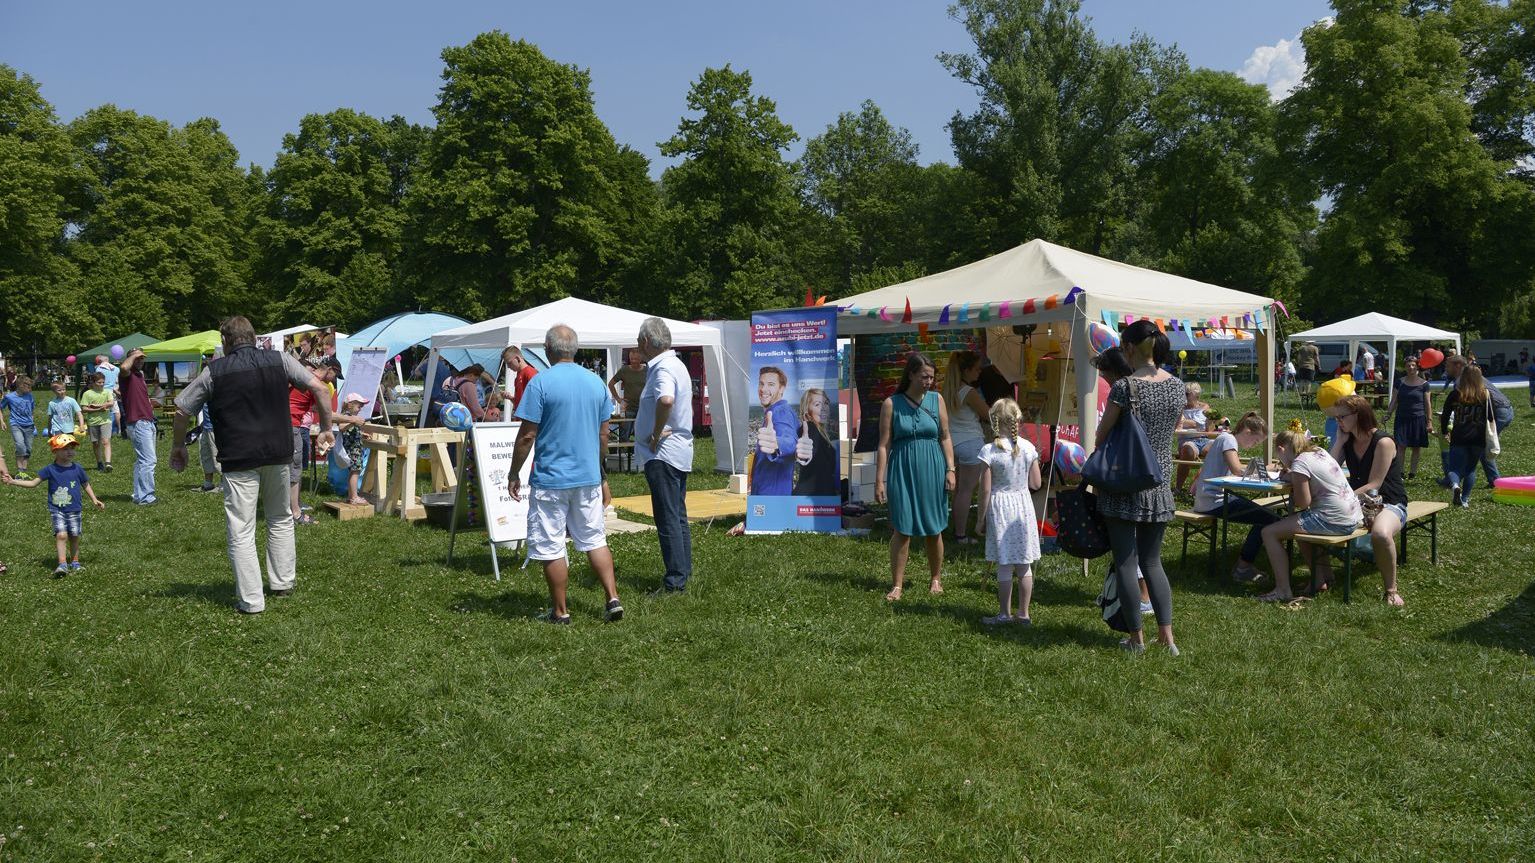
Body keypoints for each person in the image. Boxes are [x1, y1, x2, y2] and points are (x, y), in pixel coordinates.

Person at [170, 316, 333, 614]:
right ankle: (283, 583)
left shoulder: (214, 371)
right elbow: (321, 389)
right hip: (278, 452)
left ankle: (251, 601)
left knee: (242, 529)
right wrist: (325, 427)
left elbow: (181, 411)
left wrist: (178, 446)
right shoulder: (280, 360)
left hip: (239, 457)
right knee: (281, 518)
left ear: (225, 341)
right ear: (254, 337)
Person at [507, 324, 623, 624]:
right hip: (587, 477)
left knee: (550, 544)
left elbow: (527, 436)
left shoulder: (541, 383)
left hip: (551, 478)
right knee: (595, 538)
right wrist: (599, 470)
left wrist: (513, 472)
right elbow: (604, 434)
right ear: (576, 349)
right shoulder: (596, 382)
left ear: (548, 349)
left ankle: (560, 612)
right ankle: (612, 598)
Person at [1093, 320, 1181, 654]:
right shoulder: (1176, 386)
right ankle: (1168, 638)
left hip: (1124, 481)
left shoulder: (1124, 387)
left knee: (1127, 562)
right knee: (1153, 562)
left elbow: (1102, 436)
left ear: (1129, 348)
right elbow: (1169, 430)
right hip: (1159, 482)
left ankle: (1136, 639)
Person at [875, 352, 955, 601]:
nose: (928, 381)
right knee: (903, 527)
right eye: (924, 376)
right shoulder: (891, 403)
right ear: (910, 374)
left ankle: (936, 578)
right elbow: (883, 445)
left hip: (933, 466)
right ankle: (897, 584)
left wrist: (951, 469)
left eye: (931, 377)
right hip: (902, 469)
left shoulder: (937, 400)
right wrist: (879, 479)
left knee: (934, 528)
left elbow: (945, 436)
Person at [1257, 430, 1363, 602]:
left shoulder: (1299, 463)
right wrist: (1293, 477)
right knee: (1300, 531)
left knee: (1269, 532)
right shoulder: (1319, 451)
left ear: (1281, 449)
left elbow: (1303, 503)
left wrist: (1293, 479)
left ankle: (1282, 589)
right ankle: (1321, 579)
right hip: (1352, 517)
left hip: (1333, 520)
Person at [634, 318, 694, 594]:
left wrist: (656, 433)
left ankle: (675, 582)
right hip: (678, 450)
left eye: (638, 342)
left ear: (646, 343)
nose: (636, 347)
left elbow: (666, 400)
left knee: (668, 516)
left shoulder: (663, 368)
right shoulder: (674, 364)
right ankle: (683, 573)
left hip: (663, 454)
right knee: (677, 514)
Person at [1330, 395, 1408, 606]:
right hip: (1358, 503)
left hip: (1389, 503)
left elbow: (1375, 484)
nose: (1338, 422)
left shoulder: (1383, 442)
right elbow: (1329, 470)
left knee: (1381, 534)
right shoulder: (1347, 441)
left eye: (1342, 417)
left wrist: (1340, 498)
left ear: (1358, 415)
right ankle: (1323, 577)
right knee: (1309, 522)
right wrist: (1338, 442)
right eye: (1336, 418)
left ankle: (1391, 591)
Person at [1189, 412, 1277, 582]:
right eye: (1255, 441)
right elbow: (1237, 469)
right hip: (1213, 501)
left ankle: (1246, 564)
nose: (1253, 445)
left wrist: (1265, 469)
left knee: (1267, 515)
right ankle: (1243, 568)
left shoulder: (1227, 439)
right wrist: (1266, 470)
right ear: (1247, 432)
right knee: (1268, 518)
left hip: (1212, 499)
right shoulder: (1228, 440)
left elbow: (1237, 469)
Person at [978, 398, 1042, 625]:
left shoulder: (990, 450)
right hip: (1023, 506)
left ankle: (1004, 613)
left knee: (1004, 564)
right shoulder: (1028, 448)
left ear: (994, 422)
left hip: (1000, 506)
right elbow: (1036, 483)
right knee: (1024, 564)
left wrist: (980, 519)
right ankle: (1023, 614)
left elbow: (985, 489)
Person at [5, 434, 104, 575]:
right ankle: (62, 564)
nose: (70, 451)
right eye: (65, 449)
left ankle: (75, 562)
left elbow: (85, 484)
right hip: (57, 510)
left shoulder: (78, 469)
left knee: (74, 536)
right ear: (55, 451)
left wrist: (94, 499)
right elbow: (33, 483)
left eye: (72, 448)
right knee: (61, 535)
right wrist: (14, 481)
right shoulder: (50, 469)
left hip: (75, 509)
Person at [944, 350, 993, 546]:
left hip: (952, 443)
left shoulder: (948, 390)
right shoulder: (969, 392)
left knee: (959, 491)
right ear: (966, 370)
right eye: (976, 369)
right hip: (971, 443)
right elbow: (988, 414)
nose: (979, 372)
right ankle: (961, 535)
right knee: (965, 491)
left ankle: (957, 529)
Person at [287, 356, 339, 525]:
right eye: (335, 375)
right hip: (291, 425)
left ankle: (285, 509)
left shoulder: (301, 375)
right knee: (294, 471)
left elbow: (319, 408)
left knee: (285, 470)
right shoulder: (315, 383)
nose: (334, 380)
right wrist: (328, 430)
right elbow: (327, 411)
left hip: (280, 425)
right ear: (330, 369)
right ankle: (295, 513)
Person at [1440, 364, 1493, 508]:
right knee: (1470, 469)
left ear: (1463, 377)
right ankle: (1465, 499)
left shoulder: (1455, 394)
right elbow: (1490, 416)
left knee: (1454, 469)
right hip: (1478, 437)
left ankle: (1456, 485)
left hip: (1459, 436)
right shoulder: (1485, 394)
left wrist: (1445, 431)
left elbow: (1445, 415)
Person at [118, 348, 159, 505]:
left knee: (142, 461)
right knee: (148, 460)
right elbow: (123, 368)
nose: (140, 361)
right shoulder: (126, 374)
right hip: (139, 422)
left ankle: (138, 494)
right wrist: (134, 355)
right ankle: (146, 497)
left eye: (142, 358)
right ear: (130, 359)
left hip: (147, 421)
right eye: (137, 358)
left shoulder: (139, 375)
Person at [751, 366, 798, 495]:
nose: (763, 389)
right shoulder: (773, 411)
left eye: (771, 384)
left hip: (771, 496)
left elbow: (790, 441)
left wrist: (777, 444)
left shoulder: (781, 412)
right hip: (770, 493)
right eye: (761, 384)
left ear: (782, 389)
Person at [1382, 357, 1432, 478]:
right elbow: (1394, 400)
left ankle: (1412, 472)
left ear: (1417, 367)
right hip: (1402, 418)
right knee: (1401, 445)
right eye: (1408, 365)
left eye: (1413, 365)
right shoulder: (1399, 382)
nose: (1411, 368)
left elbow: (1427, 403)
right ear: (1405, 367)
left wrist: (1429, 421)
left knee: (1416, 447)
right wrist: (1388, 414)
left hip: (1418, 418)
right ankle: (1400, 472)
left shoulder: (1424, 384)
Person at [792, 387, 838, 496]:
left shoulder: (820, 431)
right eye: (817, 404)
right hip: (810, 499)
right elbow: (808, 450)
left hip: (816, 497)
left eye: (826, 403)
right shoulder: (809, 429)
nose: (824, 408)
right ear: (807, 411)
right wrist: (803, 455)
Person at [1173, 382, 1215, 496]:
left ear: (1196, 395)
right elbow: (1177, 425)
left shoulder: (1205, 407)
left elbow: (1209, 430)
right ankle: (1178, 488)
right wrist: (1191, 423)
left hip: (1204, 439)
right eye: (1183, 393)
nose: (1184, 396)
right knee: (1188, 450)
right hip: (1187, 440)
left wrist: (1210, 423)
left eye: (1187, 394)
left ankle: (1195, 485)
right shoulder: (1180, 407)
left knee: (1216, 449)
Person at [332, 393, 370, 505]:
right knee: (355, 471)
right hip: (353, 449)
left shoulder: (351, 418)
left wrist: (362, 434)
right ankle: (354, 497)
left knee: (354, 471)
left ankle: (351, 496)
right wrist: (353, 421)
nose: (360, 409)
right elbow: (341, 427)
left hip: (355, 448)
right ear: (350, 405)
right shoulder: (347, 416)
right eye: (359, 406)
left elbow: (351, 431)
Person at [608, 348, 647, 441]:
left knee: (642, 435)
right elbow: (611, 384)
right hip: (628, 408)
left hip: (644, 407)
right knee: (624, 436)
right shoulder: (625, 370)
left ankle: (638, 453)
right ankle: (623, 452)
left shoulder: (647, 370)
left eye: (636, 359)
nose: (633, 361)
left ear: (641, 358)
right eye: (632, 359)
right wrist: (618, 399)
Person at [1, 375, 37, 476]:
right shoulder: (9, 397)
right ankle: (20, 471)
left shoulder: (29, 396)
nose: (30, 389)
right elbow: (0, 407)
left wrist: (32, 421)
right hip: (16, 424)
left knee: (28, 449)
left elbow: (32, 410)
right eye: (28, 386)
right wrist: (2, 421)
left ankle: (23, 472)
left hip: (29, 425)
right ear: (20, 385)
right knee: (20, 445)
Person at [80, 372, 115, 471]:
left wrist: (98, 406)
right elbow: (84, 408)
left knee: (106, 441)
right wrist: (97, 409)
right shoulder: (87, 394)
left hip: (106, 421)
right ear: (94, 382)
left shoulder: (107, 392)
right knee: (95, 443)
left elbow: (111, 403)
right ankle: (99, 462)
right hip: (93, 422)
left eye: (103, 382)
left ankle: (108, 463)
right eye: (99, 382)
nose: (102, 384)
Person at [501, 346, 538, 414]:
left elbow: (537, 400)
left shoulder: (530, 373)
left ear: (517, 358)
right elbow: (520, 402)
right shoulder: (519, 375)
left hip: (527, 419)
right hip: (520, 418)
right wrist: (510, 398)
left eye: (509, 363)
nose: (508, 367)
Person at [93, 354, 121, 435]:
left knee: (104, 410)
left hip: (103, 391)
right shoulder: (116, 369)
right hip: (113, 391)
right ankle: (118, 429)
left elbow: (97, 380)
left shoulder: (99, 368)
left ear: (100, 361)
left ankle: (105, 429)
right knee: (116, 410)